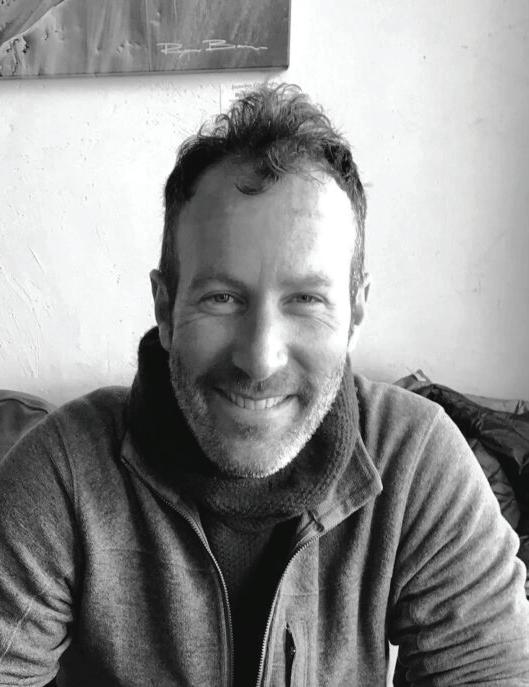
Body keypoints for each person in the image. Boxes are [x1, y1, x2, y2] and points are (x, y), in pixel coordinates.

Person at [1, 84, 529, 687]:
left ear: (355, 314)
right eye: (222, 298)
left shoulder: (417, 462)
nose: (259, 359)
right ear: (165, 308)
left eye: (305, 300)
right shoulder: (63, 471)